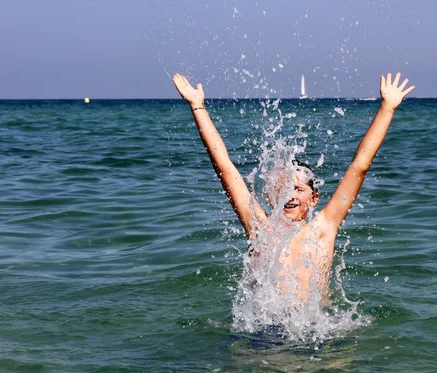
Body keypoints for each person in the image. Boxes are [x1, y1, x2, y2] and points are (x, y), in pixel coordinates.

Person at [172, 72, 415, 304]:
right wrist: (197, 107)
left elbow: (359, 166)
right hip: (262, 335)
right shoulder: (260, 228)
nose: (290, 195)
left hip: (312, 334)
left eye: (298, 189)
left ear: (314, 198)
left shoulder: (323, 229)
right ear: (268, 195)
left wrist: (387, 108)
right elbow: (224, 167)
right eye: (282, 188)